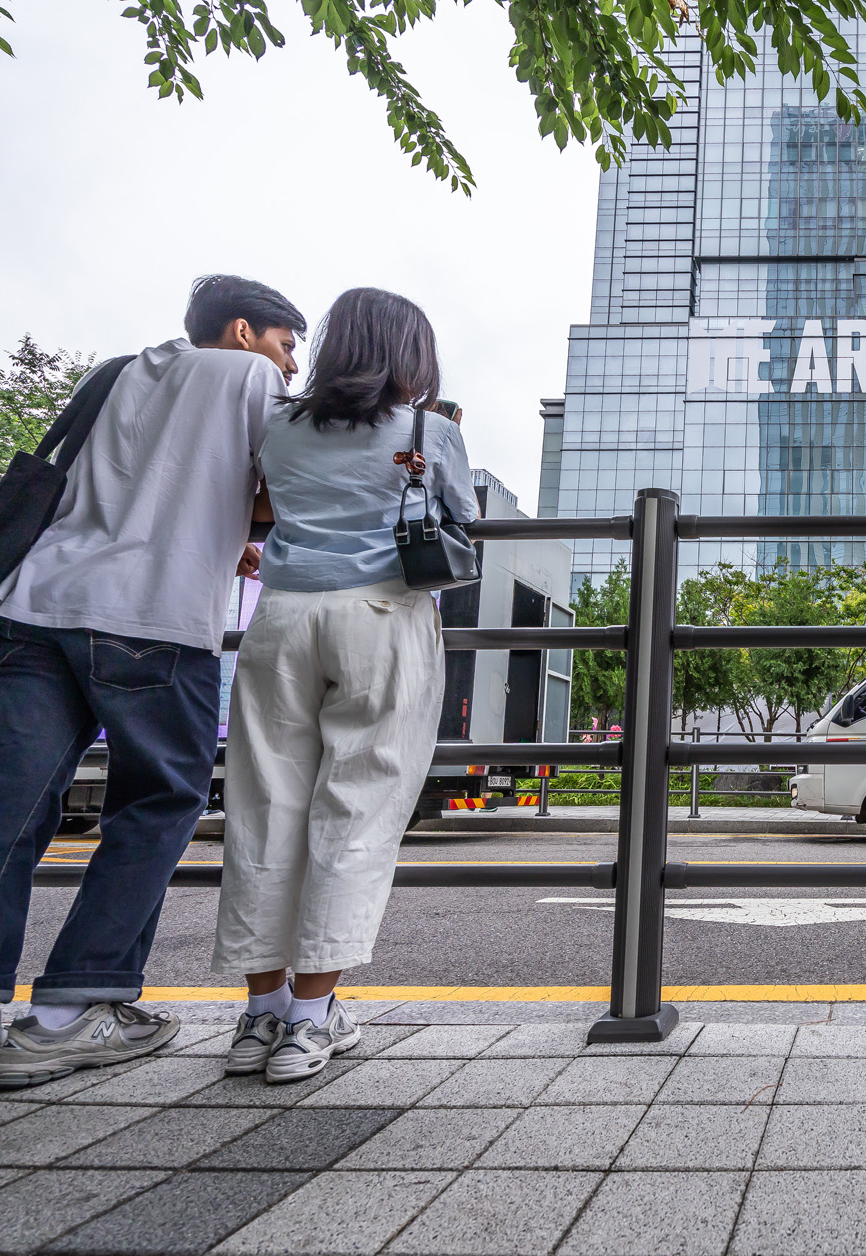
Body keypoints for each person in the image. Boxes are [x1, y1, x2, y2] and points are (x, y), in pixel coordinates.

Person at [0, 277, 306, 1105]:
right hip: (155, 617)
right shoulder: (247, 377)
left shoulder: (115, 371)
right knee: (156, 803)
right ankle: (72, 1011)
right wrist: (234, 526)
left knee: (1, 810)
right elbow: (287, 489)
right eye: (287, 344)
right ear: (243, 331)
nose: (292, 365)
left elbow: (120, 488)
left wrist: (217, 533)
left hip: (40, 608)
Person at [210, 288, 475, 1084]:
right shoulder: (429, 431)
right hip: (383, 616)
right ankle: (310, 1017)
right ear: (410, 356)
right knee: (357, 808)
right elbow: (461, 518)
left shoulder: (278, 423)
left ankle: (261, 1014)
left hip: (283, 618)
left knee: (262, 808)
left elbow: (258, 504)